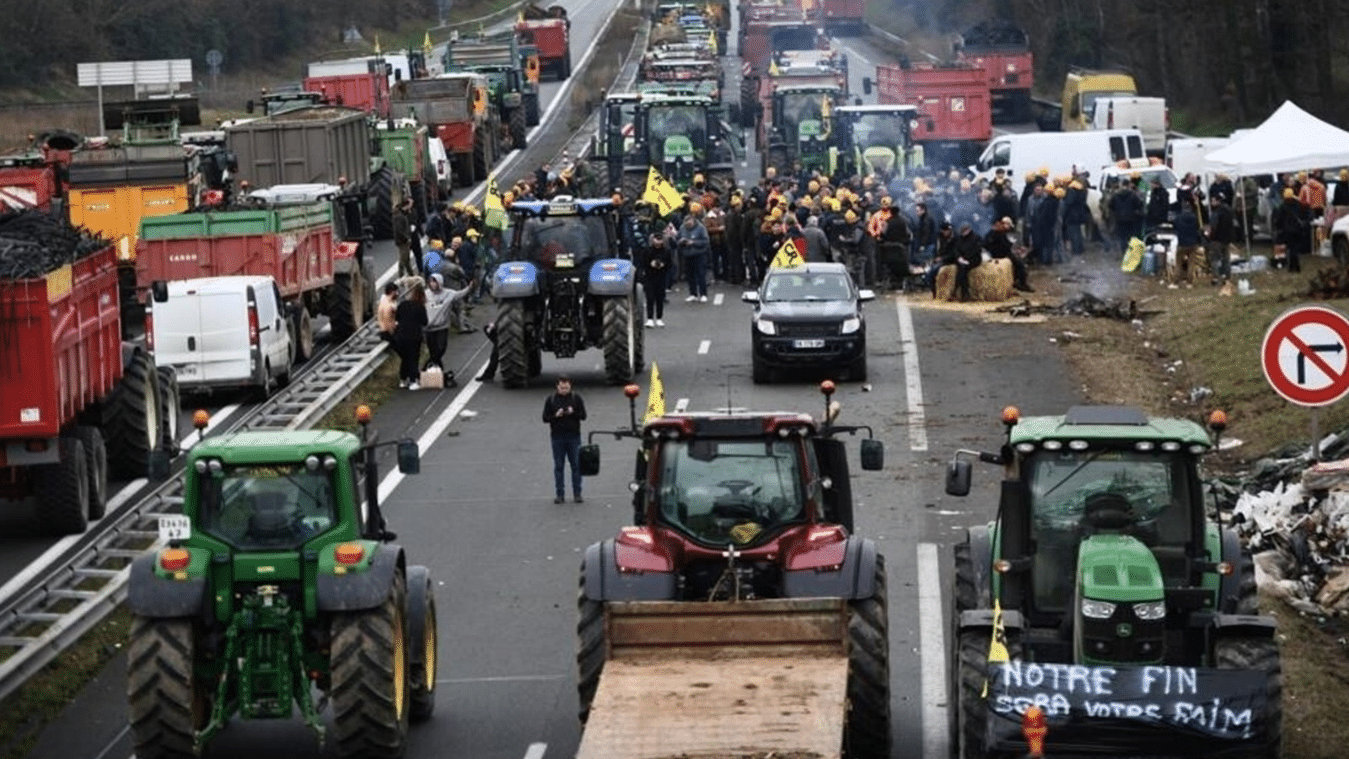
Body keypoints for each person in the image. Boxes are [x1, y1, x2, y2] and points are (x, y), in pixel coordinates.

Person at [542, 376, 587, 503]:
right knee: (559, 466)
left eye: (566, 388)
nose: (564, 390)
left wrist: (573, 412)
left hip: (574, 437)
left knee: (576, 466)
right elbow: (545, 418)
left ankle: (577, 493)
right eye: (562, 388)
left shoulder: (576, 398)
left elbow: (583, 416)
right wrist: (555, 415)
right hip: (557, 438)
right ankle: (560, 494)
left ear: (570, 386)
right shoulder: (551, 400)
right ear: (557, 386)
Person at [422, 274, 459, 386]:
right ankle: (439, 375)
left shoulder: (448, 293)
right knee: (433, 351)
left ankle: (425, 368)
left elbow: (460, 294)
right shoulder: (425, 294)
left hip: (442, 327)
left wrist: (471, 287)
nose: (433, 284)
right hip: (429, 328)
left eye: (435, 282)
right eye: (431, 282)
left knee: (441, 349)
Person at [393, 282, 428, 390]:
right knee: (413, 358)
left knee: (405, 358)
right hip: (414, 336)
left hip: (400, 336)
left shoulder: (403, 304)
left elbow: (397, 318)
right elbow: (425, 322)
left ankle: (403, 380)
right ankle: (413, 381)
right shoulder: (420, 307)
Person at [985, 217, 1033, 292]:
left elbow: (1007, 243)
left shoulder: (1001, 233)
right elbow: (988, 245)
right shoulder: (991, 235)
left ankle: (1017, 281)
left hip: (1005, 253)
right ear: (994, 225)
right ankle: (1021, 283)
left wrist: (1018, 248)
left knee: (1019, 262)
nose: (1000, 226)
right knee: (1019, 264)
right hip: (999, 255)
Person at [677, 205, 711, 302]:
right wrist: (681, 242)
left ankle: (703, 294)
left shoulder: (700, 228)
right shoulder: (682, 228)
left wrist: (694, 242)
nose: (688, 224)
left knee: (701, 275)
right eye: (686, 222)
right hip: (687, 254)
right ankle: (693, 294)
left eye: (689, 222)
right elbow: (677, 239)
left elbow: (705, 241)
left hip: (699, 254)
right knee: (690, 275)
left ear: (693, 221)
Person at [643, 232, 671, 327]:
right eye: (656, 239)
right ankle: (650, 318)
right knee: (649, 298)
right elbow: (643, 263)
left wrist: (663, 265)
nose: (658, 241)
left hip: (661, 277)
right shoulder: (647, 250)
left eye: (660, 239)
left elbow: (670, 264)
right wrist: (650, 264)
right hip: (650, 277)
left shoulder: (666, 251)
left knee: (660, 298)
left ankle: (659, 318)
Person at [394, 198, 418, 277]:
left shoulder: (401, 215)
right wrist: (407, 238)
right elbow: (399, 230)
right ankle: (401, 276)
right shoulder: (400, 217)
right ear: (406, 205)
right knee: (403, 259)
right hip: (403, 242)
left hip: (404, 241)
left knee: (407, 260)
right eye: (409, 205)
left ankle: (411, 274)